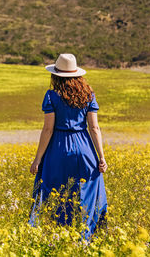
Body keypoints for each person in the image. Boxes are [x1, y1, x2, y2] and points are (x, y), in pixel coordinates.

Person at [27, 53, 108, 243]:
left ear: (55, 75)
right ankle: (87, 239)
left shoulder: (51, 95)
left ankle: (59, 238)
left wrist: (37, 159)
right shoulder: (88, 94)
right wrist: (101, 157)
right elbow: (94, 128)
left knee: (56, 193)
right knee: (88, 191)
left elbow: (48, 129)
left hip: (58, 148)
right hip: (85, 147)